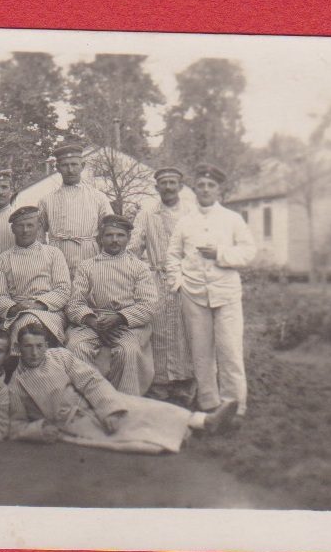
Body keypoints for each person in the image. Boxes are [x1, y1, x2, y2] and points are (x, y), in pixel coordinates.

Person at [6, 324, 239, 454]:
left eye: (39, 346)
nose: (34, 353)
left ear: (47, 346)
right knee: (126, 433)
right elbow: (15, 425)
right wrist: (39, 429)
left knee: (140, 407)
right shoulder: (16, 385)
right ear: (18, 348)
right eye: (28, 347)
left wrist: (107, 409)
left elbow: (91, 381)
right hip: (71, 422)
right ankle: (180, 435)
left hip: (93, 402)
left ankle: (204, 421)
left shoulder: (60, 357)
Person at [166, 163, 257, 419]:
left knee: (230, 352)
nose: (205, 190)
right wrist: (178, 283)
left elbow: (248, 252)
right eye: (201, 185)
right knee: (201, 354)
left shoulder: (232, 219)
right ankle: (208, 403)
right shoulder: (185, 223)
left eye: (211, 186)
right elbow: (172, 256)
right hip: (193, 295)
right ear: (194, 189)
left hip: (226, 294)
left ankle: (235, 407)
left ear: (219, 189)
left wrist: (221, 254)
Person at [66, 215, 158, 396]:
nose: (114, 240)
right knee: (76, 347)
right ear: (101, 238)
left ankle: (124, 400)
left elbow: (148, 305)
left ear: (129, 238)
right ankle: (90, 397)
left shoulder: (139, 267)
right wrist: (93, 322)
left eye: (120, 235)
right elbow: (75, 302)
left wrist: (118, 318)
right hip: (93, 322)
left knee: (128, 351)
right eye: (109, 235)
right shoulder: (87, 266)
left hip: (127, 324)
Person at [128, 166, 196, 404]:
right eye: (163, 183)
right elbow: (135, 246)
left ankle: (185, 385)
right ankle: (158, 386)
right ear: (156, 188)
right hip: (156, 279)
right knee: (157, 330)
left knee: (184, 332)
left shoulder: (191, 212)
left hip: (186, 280)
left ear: (181, 186)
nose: (168, 187)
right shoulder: (147, 213)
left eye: (172, 182)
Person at [0, 206, 71, 349]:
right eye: (20, 226)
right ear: (13, 229)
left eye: (30, 225)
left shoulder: (53, 253)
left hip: (49, 311)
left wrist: (38, 305)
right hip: (17, 313)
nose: (25, 230)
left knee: (31, 323)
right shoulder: (2, 259)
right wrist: (15, 308)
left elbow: (63, 289)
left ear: (39, 228)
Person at [38, 144, 112, 278]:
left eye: (74, 164)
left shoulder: (98, 197)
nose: (70, 170)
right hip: (57, 257)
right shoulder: (46, 200)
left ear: (82, 166)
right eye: (65, 165)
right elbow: (39, 235)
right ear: (58, 168)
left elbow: (109, 230)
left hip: (89, 256)